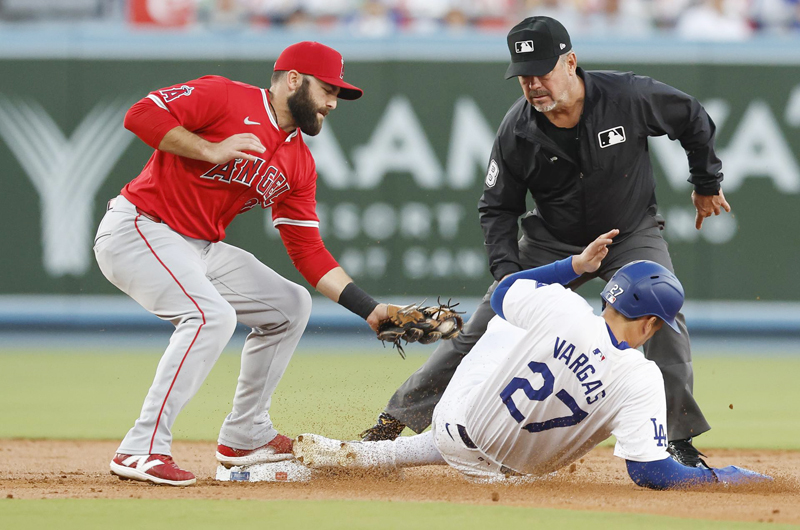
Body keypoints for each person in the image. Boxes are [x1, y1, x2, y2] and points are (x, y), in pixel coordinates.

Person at [361, 16, 732, 469]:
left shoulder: (626, 96)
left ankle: (678, 440)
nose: (533, 83)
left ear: (570, 61)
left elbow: (691, 117)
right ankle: (391, 422)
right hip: (554, 244)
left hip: (630, 233)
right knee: (480, 329)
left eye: (542, 70)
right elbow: (497, 208)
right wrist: (509, 281)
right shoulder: (517, 131)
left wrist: (706, 181)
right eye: (524, 75)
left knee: (664, 318)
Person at [94, 41, 394, 486]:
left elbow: (307, 250)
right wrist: (208, 149)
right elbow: (140, 114)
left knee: (290, 305)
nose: (332, 102)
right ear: (294, 80)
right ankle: (141, 447)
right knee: (210, 316)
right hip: (139, 226)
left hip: (201, 248)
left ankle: (245, 433)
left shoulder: (299, 161)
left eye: (337, 94)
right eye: (327, 89)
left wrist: (370, 309)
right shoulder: (225, 96)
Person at [294, 235, 771, 488]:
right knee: (606, 400)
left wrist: (573, 268)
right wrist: (729, 478)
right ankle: (362, 457)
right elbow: (652, 472)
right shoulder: (642, 377)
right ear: (652, 324)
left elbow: (503, 292)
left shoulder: (564, 307)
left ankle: (317, 457)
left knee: (507, 320)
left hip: (455, 426)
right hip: (511, 474)